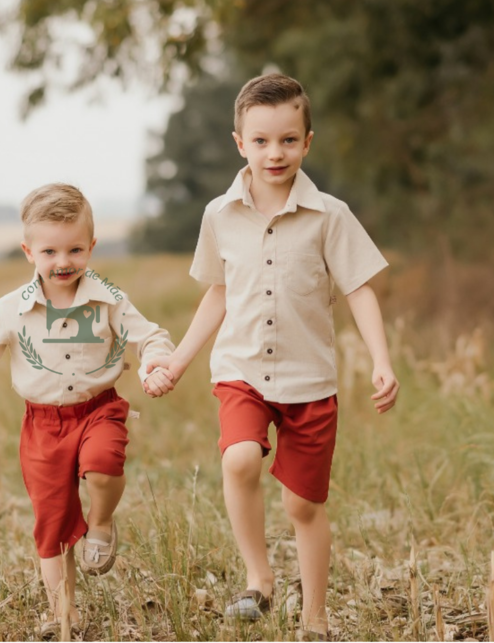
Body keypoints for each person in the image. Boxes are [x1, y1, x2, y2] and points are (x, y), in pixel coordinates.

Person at [144, 73, 399, 640]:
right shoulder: (220, 215)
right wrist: (180, 360)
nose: (274, 152)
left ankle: (314, 617)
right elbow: (218, 292)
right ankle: (259, 581)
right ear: (240, 142)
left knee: (302, 506)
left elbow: (360, 288)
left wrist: (381, 361)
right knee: (238, 458)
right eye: (260, 141)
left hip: (310, 381)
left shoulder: (330, 215)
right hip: (242, 371)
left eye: (287, 139)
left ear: (307, 141)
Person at [0, 183, 175, 637]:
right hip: (43, 425)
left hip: (98, 410)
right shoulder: (12, 309)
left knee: (103, 462)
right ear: (28, 251)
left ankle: (101, 522)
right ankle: (65, 615)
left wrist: (155, 360)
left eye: (75, 249)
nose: (63, 262)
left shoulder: (108, 298)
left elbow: (149, 335)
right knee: (51, 522)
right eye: (50, 251)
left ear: (91, 246)